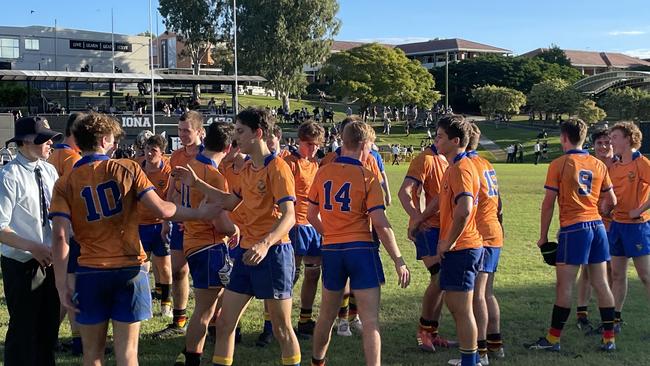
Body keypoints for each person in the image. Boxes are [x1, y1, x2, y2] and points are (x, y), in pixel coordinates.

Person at [50, 113, 218, 366]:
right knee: (127, 355)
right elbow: (162, 209)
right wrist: (198, 213)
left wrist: (61, 284)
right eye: (113, 140)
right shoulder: (127, 168)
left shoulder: (65, 182)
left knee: (92, 355)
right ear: (105, 140)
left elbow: (61, 235)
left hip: (90, 270)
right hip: (129, 268)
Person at [174, 108, 301, 366]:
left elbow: (290, 216)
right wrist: (197, 183)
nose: (236, 137)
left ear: (258, 133)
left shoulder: (278, 168)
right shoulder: (246, 169)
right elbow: (231, 201)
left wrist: (265, 243)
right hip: (245, 253)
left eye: (240, 132)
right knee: (224, 322)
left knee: (282, 328)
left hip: (274, 253)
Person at [308, 121, 410, 366]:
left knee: (325, 316)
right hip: (361, 250)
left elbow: (311, 215)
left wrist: (329, 234)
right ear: (364, 144)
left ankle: (317, 362)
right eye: (371, 145)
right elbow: (381, 223)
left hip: (332, 249)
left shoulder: (323, 171)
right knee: (371, 320)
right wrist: (398, 259)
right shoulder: (367, 176)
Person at [527, 119, 617, 352]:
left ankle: (553, 340)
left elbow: (548, 204)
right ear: (584, 137)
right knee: (601, 283)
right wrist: (599, 212)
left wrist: (542, 236)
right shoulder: (598, 164)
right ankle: (609, 339)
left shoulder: (559, 163)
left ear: (563, 137)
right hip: (597, 227)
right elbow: (612, 200)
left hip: (574, 228)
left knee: (564, 285)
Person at [0, 116, 62, 366]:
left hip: (50, 261)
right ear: (25, 142)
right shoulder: (9, 176)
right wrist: (33, 247)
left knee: (48, 331)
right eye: (44, 139)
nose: (50, 144)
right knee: (24, 331)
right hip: (22, 264)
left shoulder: (49, 171)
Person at [175, 122, 237, 366]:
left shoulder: (190, 166)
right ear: (229, 147)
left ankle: (189, 354)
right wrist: (236, 228)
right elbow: (219, 222)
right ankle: (191, 358)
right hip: (209, 244)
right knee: (205, 310)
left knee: (206, 308)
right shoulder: (214, 176)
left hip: (192, 240)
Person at [431, 115, 483, 366]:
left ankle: (471, 361)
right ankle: (470, 358)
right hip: (464, 245)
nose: (436, 140)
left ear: (456, 140)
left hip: (463, 247)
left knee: (461, 309)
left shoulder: (461, 168)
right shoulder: (455, 166)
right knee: (457, 306)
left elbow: (464, 209)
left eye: (440, 136)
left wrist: (448, 242)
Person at [398, 134, 455, 352]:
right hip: (428, 229)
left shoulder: (446, 160)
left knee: (441, 282)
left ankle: (433, 332)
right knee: (439, 278)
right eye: (439, 135)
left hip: (444, 229)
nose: (441, 139)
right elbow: (404, 192)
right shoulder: (425, 159)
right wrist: (416, 218)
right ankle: (423, 333)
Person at [154, 111, 205, 339]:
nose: (182, 134)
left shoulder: (210, 155)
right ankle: (179, 320)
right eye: (180, 129)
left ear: (200, 132)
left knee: (208, 276)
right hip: (181, 223)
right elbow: (172, 191)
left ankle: (215, 322)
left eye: (187, 130)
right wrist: (168, 220)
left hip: (205, 224)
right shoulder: (175, 156)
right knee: (178, 270)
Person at [464, 124, 505, 365]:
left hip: (480, 234)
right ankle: (495, 343)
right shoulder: (486, 163)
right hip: (494, 231)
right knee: (487, 293)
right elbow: (500, 204)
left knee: (476, 295)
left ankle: (480, 351)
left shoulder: (466, 166)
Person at [283, 121, 325, 339]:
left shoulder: (316, 164)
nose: (314, 148)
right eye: (310, 144)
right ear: (300, 141)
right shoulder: (290, 163)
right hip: (296, 225)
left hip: (314, 225)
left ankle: (305, 320)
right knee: (292, 274)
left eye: (317, 145)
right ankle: (280, 322)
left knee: (313, 273)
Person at [608, 121, 650, 335]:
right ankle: (615, 319)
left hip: (637, 227)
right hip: (617, 225)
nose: (611, 141)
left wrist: (640, 209)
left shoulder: (642, 163)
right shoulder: (613, 166)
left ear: (628, 138)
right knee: (617, 275)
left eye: (614, 137)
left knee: (645, 276)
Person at [48, 113, 85, 355]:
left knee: (64, 286)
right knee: (72, 286)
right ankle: (79, 342)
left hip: (51, 226)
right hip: (70, 229)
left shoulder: (51, 155)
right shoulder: (73, 159)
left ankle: (48, 335)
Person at [575, 128, 617, 332]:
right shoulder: (589, 164)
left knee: (610, 271)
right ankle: (582, 312)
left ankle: (610, 315)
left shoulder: (619, 165)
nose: (603, 146)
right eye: (599, 143)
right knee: (586, 271)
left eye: (607, 142)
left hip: (614, 224)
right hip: (592, 223)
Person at [138, 135, 174, 318]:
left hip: (160, 224)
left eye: (154, 150)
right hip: (139, 225)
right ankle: (144, 305)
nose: (149, 153)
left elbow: (170, 198)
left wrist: (167, 222)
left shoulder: (167, 171)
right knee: (142, 268)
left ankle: (166, 304)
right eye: (147, 149)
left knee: (165, 267)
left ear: (162, 153)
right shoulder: (137, 167)